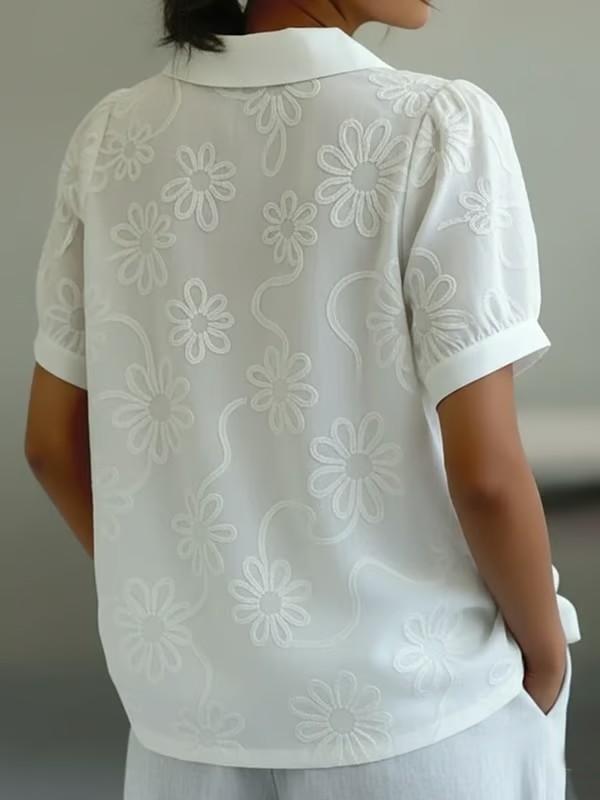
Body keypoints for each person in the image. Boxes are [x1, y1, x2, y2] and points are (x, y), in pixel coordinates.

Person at [25, 0, 582, 798]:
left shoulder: (109, 140)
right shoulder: (435, 127)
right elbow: (487, 475)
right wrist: (546, 655)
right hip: (422, 717)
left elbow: (51, 443)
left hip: (189, 729)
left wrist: (195, 599)